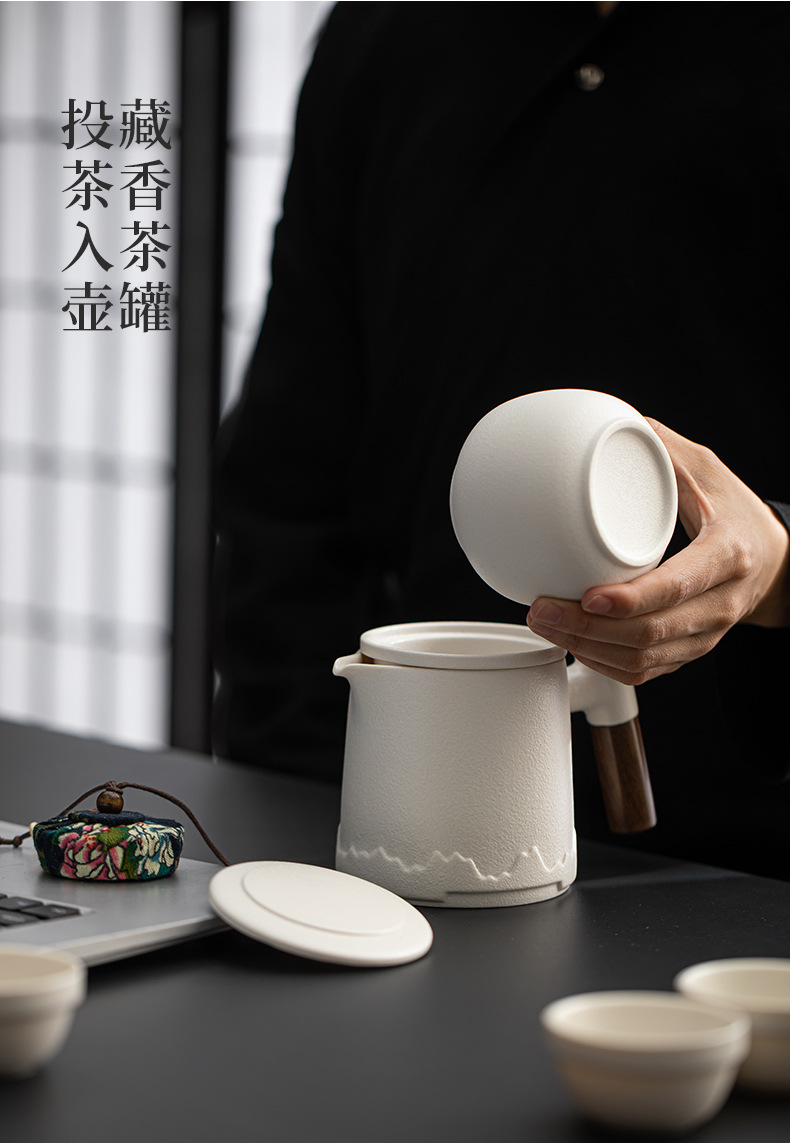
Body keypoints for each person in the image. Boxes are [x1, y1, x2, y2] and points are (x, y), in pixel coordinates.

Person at [213, 3, 790, 878]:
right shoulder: (388, 33)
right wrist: (292, 795)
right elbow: (289, 467)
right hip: (409, 822)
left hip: (752, 854)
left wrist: (776, 566)